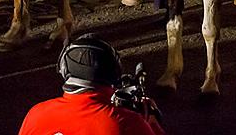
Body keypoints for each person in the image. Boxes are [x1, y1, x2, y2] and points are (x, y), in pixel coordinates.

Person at [18, 34, 164, 135]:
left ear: (63, 69)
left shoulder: (36, 114)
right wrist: (151, 123)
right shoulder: (127, 122)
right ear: (114, 73)